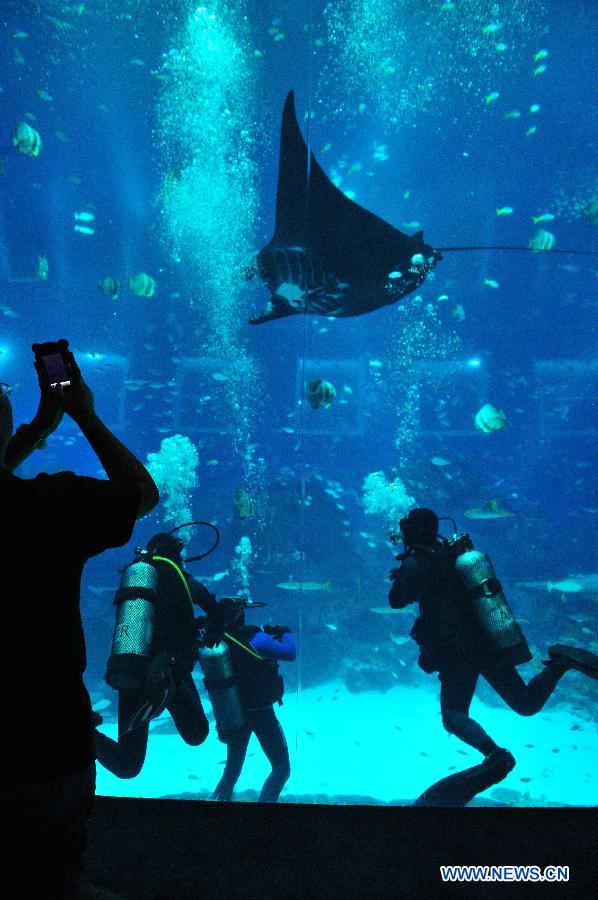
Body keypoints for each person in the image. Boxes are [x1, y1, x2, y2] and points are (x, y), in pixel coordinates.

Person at [0, 347, 159, 898]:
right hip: (45, 742)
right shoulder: (47, 507)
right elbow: (141, 493)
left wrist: (25, 437)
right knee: (54, 880)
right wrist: (79, 415)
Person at [389, 507, 598, 765]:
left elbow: (396, 600)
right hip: (486, 640)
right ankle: (561, 663)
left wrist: (403, 574)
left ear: (412, 531)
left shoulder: (416, 562)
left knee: (454, 715)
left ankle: (495, 756)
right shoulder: (456, 552)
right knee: (526, 704)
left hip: (455, 652)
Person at [94, 531, 223, 778]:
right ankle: (167, 690)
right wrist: (212, 624)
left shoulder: (136, 574)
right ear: (177, 555)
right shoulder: (182, 579)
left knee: (127, 766)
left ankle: (84, 732)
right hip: (169, 671)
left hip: (132, 669)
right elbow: (216, 613)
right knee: (197, 733)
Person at [209, 598, 296, 803]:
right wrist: (286, 632)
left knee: (231, 771)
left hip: (233, 711)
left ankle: (216, 806)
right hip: (262, 712)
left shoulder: (217, 640)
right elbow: (290, 653)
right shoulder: (255, 638)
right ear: (241, 615)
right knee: (281, 768)